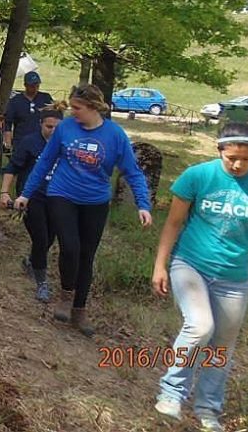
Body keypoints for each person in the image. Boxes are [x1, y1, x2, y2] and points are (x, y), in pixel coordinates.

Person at [152, 123, 248, 431]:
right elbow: (172, 224)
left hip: (234, 277)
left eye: (246, 159)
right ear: (220, 151)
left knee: (222, 346)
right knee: (200, 326)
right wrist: (160, 265)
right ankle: (171, 393)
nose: (238, 164)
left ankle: (208, 408)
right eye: (232, 158)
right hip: (191, 265)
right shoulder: (197, 176)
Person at [17, 83, 152, 335]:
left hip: (95, 201)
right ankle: (66, 296)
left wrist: (143, 204)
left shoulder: (115, 135)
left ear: (92, 108)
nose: (73, 112)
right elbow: (46, 160)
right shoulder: (66, 128)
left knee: (86, 255)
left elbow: (132, 172)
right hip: (62, 194)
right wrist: (26, 193)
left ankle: (80, 310)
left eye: (77, 108)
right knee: (70, 246)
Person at [0, 103, 65, 303]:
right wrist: (4, 192)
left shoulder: (67, 144)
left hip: (57, 197)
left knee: (51, 237)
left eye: (57, 127)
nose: (52, 131)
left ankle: (32, 261)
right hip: (31, 197)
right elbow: (12, 168)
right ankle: (42, 282)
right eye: (49, 127)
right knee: (41, 238)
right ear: (40, 124)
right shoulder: (30, 143)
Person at [3, 70, 53, 152]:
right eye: (32, 86)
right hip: (21, 142)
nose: (35, 89)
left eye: (37, 86)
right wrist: (8, 142)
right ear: (25, 85)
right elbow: (8, 123)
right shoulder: (15, 101)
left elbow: (54, 117)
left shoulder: (45, 98)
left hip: (42, 142)